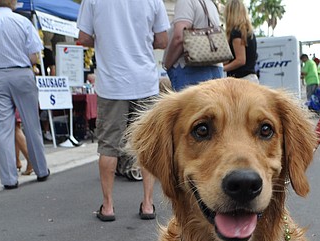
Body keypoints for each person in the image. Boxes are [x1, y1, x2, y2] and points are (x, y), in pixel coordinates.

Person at [77, 0, 169, 221]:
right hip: (144, 81)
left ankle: (108, 207)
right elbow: (163, 40)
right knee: (146, 144)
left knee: (108, 146)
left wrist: (106, 38)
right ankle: (148, 204)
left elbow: (83, 37)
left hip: (112, 83)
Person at [0, 0, 49, 190]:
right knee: (31, 124)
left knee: (3, 129)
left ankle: (9, 178)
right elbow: (34, 56)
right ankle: (40, 169)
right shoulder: (23, 21)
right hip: (22, 73)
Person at [163, 0, 224, 91]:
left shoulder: (186, 2)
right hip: (215, 68)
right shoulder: (211, 4)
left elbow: (179, 37)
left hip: (190, 69)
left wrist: (167, 64)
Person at [223, 0, 258, 83]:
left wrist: (222, 69)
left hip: (241, 79)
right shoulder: (248, 32)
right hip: (251, 78)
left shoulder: (236, 33)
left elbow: (240, 60)